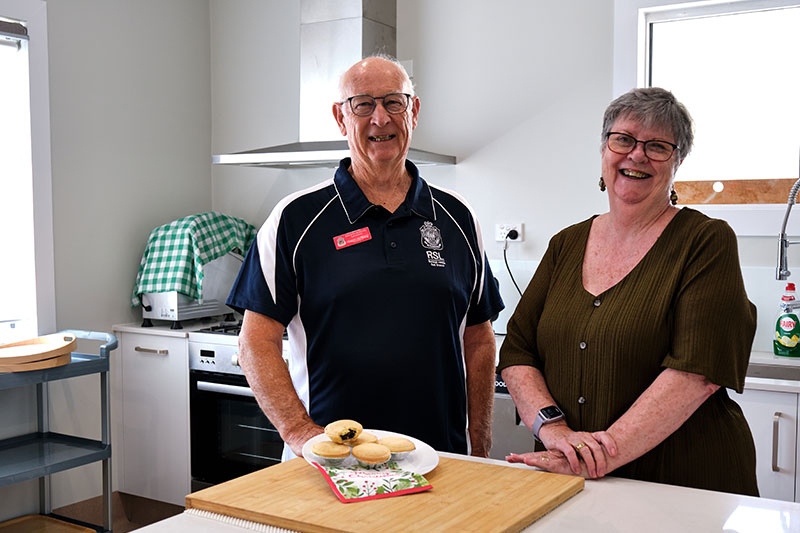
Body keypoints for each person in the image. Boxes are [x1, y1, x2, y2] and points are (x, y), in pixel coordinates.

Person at [227, 55, 504, 460]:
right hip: (330, 462)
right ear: (341, 118)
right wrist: (300, 433)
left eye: (395, 102)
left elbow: (478, 339)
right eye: (363, 105)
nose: (381, 119)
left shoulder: (458, 217)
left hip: (443, 459)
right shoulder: (295, 219)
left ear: (414, 111)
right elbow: (256, 341)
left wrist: (479, 441)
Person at [497, 87, 758, 495]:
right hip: (572, 480)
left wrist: (598, 455)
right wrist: (554, 429)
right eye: (624, 140)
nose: (637, 155)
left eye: (657, 146)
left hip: (683, 485)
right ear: (604, 149)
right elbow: (516, 350)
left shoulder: (706, 241)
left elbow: (697, 372)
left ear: (678, 162)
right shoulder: (566, 243)